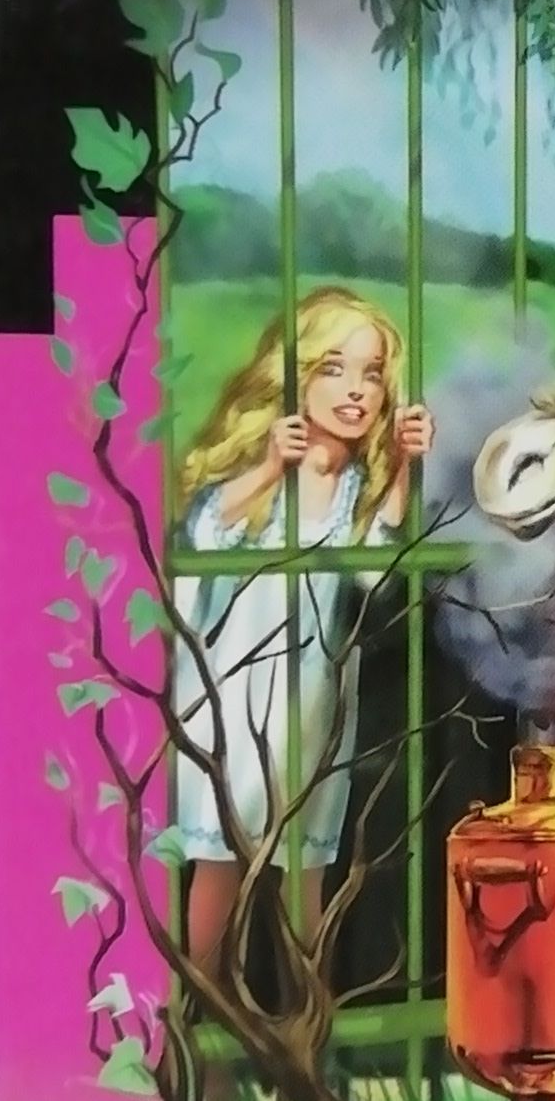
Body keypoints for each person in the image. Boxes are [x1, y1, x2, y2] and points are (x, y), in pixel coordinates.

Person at [169, 287, 433, 976]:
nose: (357, 391)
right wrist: (268, 468)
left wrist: (403, 466)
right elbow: (204, 536)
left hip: (313, 695)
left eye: (372, 374)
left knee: (306, 867)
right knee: (222, 862)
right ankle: (200, 1019)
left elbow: (374, 569)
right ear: (296, 374)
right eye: (334, 369)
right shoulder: (262, 463)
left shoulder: (353, 484)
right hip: (238, 692)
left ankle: (304, 1018)